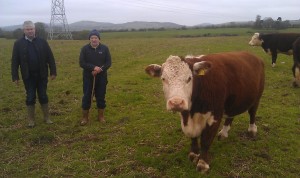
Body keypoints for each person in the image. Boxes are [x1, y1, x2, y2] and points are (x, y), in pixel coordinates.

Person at [11, 20, 57, 127]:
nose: (30, 31)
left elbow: (50, 57)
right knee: (30, 97)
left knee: (43, 95)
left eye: (32, 29)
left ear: (35, 29)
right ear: (24, 30)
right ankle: (31, 120)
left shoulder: (42, 42)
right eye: (28, 29)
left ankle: (46, 117)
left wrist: (53, 71)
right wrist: (15, 76)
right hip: (28, 76)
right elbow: (15, 61)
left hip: (42, 75)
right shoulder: (18, 44)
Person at [79, 29, 111, 125]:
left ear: (99, 39)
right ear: (89, 39)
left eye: (96, 37)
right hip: (88, 77)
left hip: (101, 77)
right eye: (92, 38)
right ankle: (85, 117)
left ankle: (101, 116)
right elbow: (82, 63)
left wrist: (100, 69)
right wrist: (92, 68)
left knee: (101, 96)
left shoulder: (105, 49)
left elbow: (108, 63)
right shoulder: (84, 49)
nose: (94, 39)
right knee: (87, 96)